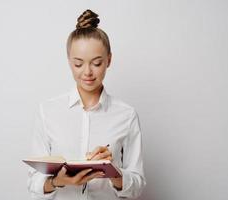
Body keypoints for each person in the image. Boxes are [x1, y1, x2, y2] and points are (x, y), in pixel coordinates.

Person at [27, 9, 146, 200]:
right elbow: (33, 182)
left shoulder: (126, 115)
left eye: (97, 63)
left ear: (109, 60)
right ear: (69, 62)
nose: (87, 72)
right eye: (78, 64)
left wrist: (113, 172)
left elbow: (137, 186)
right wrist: (57, 181)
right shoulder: (47, 112)